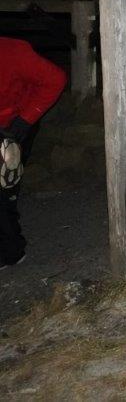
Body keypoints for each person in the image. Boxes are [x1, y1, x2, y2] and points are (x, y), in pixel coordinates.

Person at [1, 36, 67, 269]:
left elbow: (55, 79)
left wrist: (26, 118)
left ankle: (10, 251)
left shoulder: (12, 51)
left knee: (3, 189)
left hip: (14, 125)